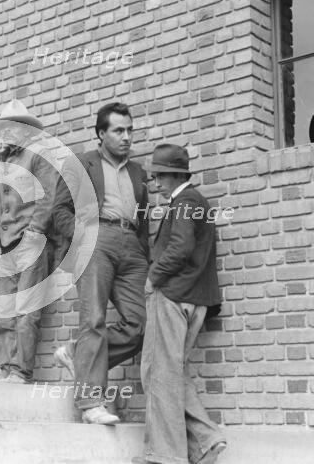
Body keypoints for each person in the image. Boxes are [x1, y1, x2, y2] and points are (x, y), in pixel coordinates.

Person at [52, 102, 149, 424]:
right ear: (101, 134)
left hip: (132, 245)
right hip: (97, 241)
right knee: (92, 320)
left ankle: (76, 354)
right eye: (119, 130)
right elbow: (60, 211)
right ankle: (91, 403)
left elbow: (144, 219)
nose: (127, 137)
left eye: (130, 130)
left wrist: (145, 255)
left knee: (141, 324)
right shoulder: (81, 164)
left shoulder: (138, 172)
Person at [132, 144, 226, 464]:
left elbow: (181, 247)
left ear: (174, 175)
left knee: (157, 373)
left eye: (158, 176)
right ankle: (206, 442)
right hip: (194, 298)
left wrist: (153, 278)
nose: (155, 183)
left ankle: (165, 455)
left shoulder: (185, 201)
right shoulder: (195, 201)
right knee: (170, 372)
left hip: (173, 296)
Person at [0, 99, 57, 384]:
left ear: (25, 129)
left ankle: (20, 370)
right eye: (3, 126)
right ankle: (5, 368)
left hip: (30, 242)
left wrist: (34, 231)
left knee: (27, 310)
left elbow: (49, 197)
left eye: (12, 126)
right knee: (6, 311)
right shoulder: (3, 160)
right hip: (7, 243)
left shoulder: (39, 154)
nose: (6, 131)